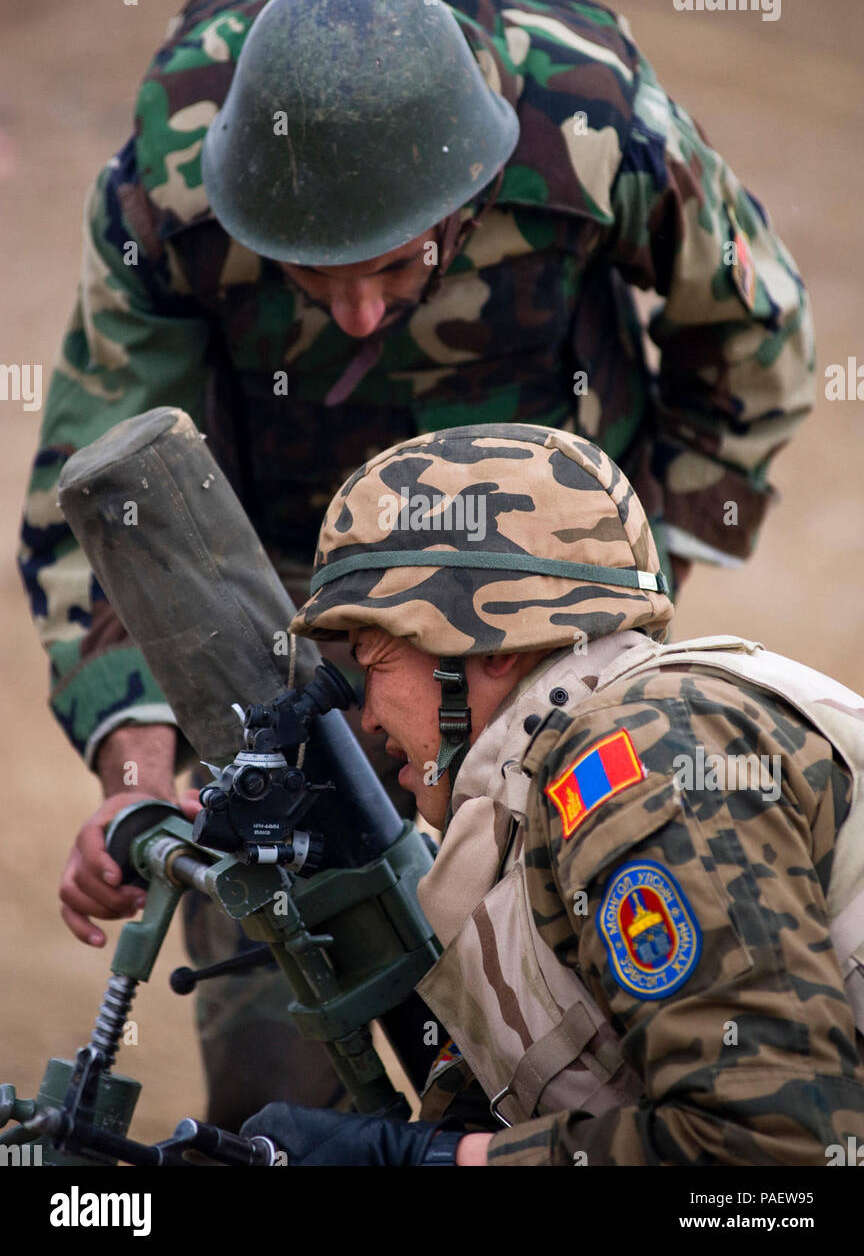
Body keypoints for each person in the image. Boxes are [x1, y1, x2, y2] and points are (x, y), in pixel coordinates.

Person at [19, 0, 814, 1125]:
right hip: (286, 574)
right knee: (283, 979)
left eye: (395, 267)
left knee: (555, 993)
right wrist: (137, 776)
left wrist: (632, 602)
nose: (357, 314)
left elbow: (760, 345)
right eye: (311, 275)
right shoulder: (171, 184)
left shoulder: (588, 126)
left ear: (467, 199)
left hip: (541, 572)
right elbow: (106, 500)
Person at [238, 422, 864, 1165]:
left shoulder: (643, 764)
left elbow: (770, 1160)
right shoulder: (553, 791)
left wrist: (424, 1163)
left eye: (373, 658)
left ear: (492, 646)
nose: (367, 717)